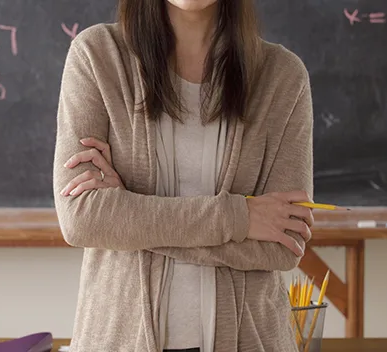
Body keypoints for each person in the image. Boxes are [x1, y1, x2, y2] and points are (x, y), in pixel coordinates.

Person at [52, 0, 315, 351]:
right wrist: (241, 218)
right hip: (117, 340)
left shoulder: (282, 75)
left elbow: (284, 245)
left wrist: (129, 216)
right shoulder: (98, 57)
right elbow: (83, 219)